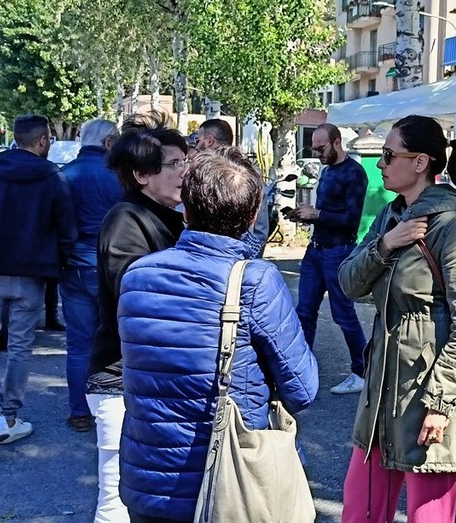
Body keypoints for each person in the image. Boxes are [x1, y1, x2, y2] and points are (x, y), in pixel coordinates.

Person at [118, 146, 319, 523]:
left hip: (148, 480)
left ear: (186, 208)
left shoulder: (138, 276)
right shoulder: (255, 281)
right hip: (231, 481)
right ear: (253, 215)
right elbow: (302, 388)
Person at [337, 115, 456, 523]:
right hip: (380, 399)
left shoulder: (454, 227)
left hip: (427, 398)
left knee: (428, 517)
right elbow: (348, 282)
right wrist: (386, 244)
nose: (380, 164)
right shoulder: (391, 218)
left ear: (420, 162)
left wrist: (441, 403)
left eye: (389, 155)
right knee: (359, 512)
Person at [0, 114, 77, 453]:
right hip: (32, 273)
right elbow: (67, 230)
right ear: (43, 141)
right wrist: (56, 262)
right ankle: (9, 417)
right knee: (21, 346)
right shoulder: (53, 176)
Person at [87, 114, 187, 523]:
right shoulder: (126, 220)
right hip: (120, 380)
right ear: (142, 175)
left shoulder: (174, 216)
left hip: (155, 378)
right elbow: (140, 300)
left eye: (185, 161)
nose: (184, 172)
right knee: (116, 502)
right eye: (174, 164)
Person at [290, 122, 369, 394]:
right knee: (304, 312)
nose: (317, 154)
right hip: (316, 249)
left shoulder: (355, 173)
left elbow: (351, 220)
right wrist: (307, 214)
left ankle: (362, 372)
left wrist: (317, 214)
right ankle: (299, 371)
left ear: (337, 142)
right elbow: (327, 213)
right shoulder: (327, 170)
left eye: (321, 148)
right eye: (313, 149)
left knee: (343, 314)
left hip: (339, 251)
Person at [60, 118, 122, 433]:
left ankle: (80, 411)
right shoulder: (119, 177)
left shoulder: (63, 176)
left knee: (79, 343)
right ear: (109, 143)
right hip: (110, 266)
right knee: (115, 339)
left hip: (73, 266)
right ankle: (112, 407)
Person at [188, 118, 269, 258]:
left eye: (198, 140)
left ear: (209, 141)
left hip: (198, 254)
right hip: (239, 255)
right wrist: (250, 260)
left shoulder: (197, 174)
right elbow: (260, 228)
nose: (196, 147)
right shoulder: (248, 172)